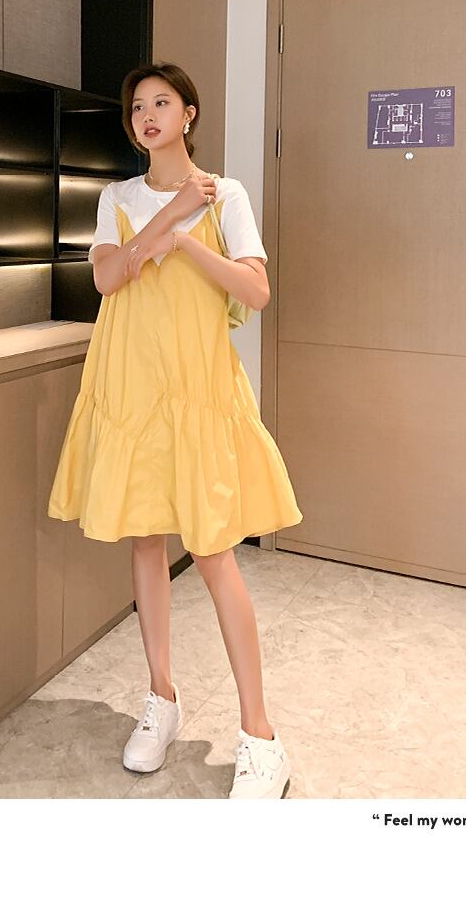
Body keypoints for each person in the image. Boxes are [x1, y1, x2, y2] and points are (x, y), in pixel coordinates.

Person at [47, 62, 304, 799]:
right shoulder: (117, 198)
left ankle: (261, 736)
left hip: (197, 393)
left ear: (188, 113)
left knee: (215, 551)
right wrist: (169, 217)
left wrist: (190, 240)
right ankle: (161, 696)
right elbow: (109, 278)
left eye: (162, 102)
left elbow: (256, 289)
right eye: (137, 106)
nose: (148, 114)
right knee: (145, 540)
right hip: (134, 392)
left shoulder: (226, 195)